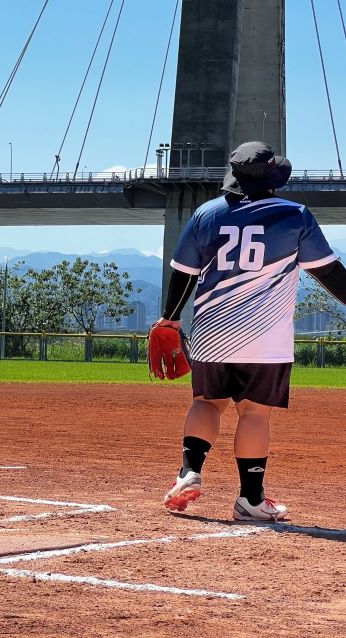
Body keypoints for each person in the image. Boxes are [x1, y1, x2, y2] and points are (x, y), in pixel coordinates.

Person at [159, 141, 346, 521]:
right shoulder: (294, 215)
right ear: (274, 178)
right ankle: (251, 500)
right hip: (266, 339)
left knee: (206, 404)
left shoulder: (206, 213)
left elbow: (183, 274)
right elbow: (326, 271)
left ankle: (189, 471)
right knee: (255, 415)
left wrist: (170, 318)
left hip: (211, 333)